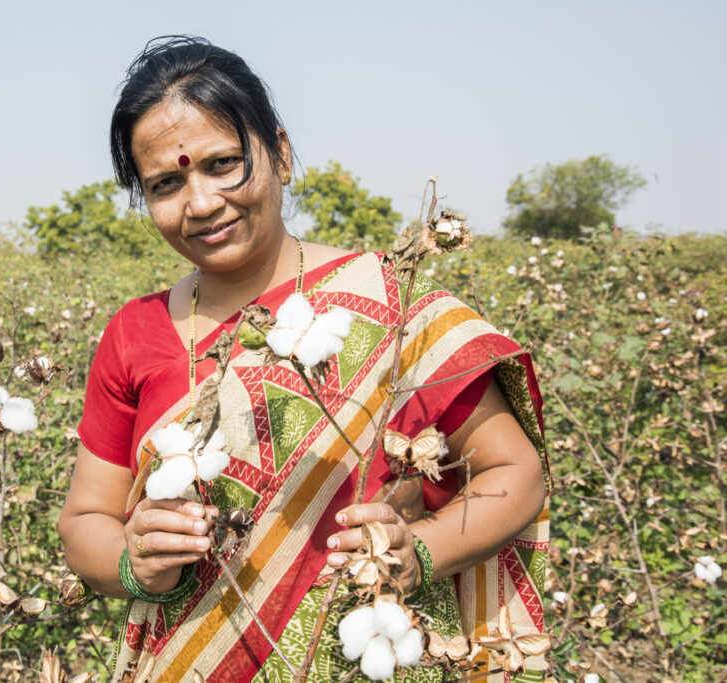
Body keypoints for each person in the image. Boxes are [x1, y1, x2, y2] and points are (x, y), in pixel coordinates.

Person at [58, 36, 549, 682]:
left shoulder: (391, 309)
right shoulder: (136, 332)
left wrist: (420, 551)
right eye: (167, 183)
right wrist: (133, 558)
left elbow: (516, 474)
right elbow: (83, 520)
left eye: (223, 163)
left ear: (281, 154)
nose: (201, 203)